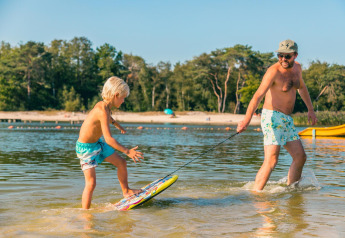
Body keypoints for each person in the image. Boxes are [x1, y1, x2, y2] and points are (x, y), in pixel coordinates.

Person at [237, 39, 317, 191]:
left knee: (300, 157)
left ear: (295, 55)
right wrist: (246, 120)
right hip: (272, 118)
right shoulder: (273, 72)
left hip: (287, 120)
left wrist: (311, 110)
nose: (283, 60)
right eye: (280, 56)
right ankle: (257, 195)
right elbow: (257, 96)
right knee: (272, 160)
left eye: (287, 56)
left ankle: (292, 191)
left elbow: (302, 88)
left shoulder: (298, 69)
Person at [76, 76, 144, 209]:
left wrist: (117, 124)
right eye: (123, 97)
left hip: (97, 144)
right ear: (116, 95)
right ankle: (85, 214)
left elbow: (108, 118)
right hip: (85, 149)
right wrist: (127, 151)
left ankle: (126, 191)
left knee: (121, 163)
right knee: (91, 184)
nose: (124, 101)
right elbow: (109, 139)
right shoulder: (101, 110)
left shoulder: (104, 106)